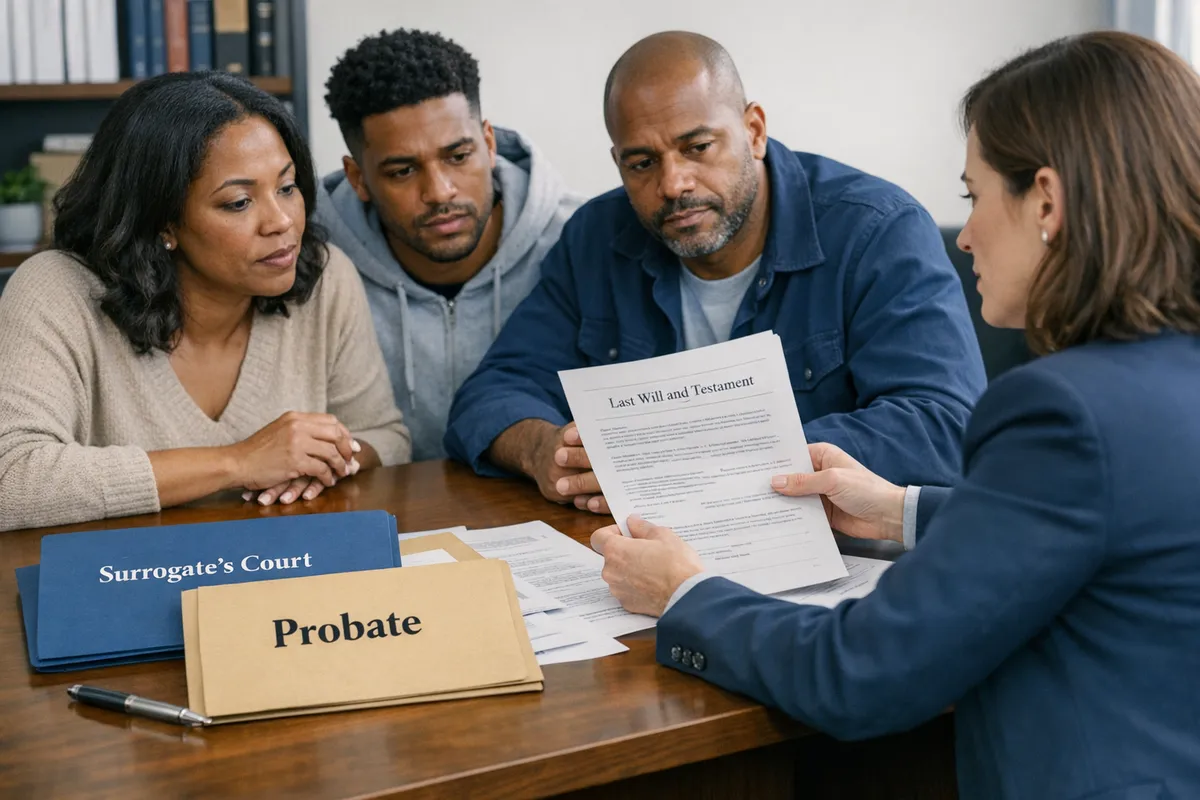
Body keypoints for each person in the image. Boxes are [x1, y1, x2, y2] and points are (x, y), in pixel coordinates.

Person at [590, 32, 1200, 799]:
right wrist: (900, 511)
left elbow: (858, 673)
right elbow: (1106, 526)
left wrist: (683, 592)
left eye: (974, 197)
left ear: (1047, 200)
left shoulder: (1062, 410)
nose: (967, 234)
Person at [445, 31, 986, 513]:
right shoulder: (596, 238)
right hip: (634, 559)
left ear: (753, 130)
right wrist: (544, 451)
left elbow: (943, 426)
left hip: (838, 563)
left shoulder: (877, 231)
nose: (674, 183)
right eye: (642, 163)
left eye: (697, 147)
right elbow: (492, 392)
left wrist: (705, 453)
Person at [0, 72, 411, 533]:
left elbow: (383, 438)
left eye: (287, 187)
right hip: (123, 578)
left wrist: (323, 459)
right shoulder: (57, 290)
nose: (281, 222)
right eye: (238, 202)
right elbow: (11, 479)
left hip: (281, 571)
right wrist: (237, 462)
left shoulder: (325, 276)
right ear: (163, 223)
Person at [317, 29, 582, 461]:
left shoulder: (575, 239)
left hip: (541, 507)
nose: (440, 192)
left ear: (489, 142)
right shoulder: (308, 260)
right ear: (358, 178)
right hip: (377, 511)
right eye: (403, 171)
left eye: (458, 157)